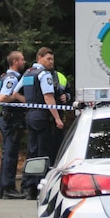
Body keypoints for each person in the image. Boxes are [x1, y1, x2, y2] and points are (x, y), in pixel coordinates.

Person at [19, 47, 65, 200]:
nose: (51, 62)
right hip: (43, 117)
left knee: (32, 152)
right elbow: (48, 98)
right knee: (44, 153)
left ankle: (29, 188)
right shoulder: (44, 75)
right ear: (40, 58)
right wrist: (57, 118)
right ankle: (42, 189)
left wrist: (30, 103)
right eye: (48, 59)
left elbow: (14, 93)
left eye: (52, 59)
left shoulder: (28, 73)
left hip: (30, 115)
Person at [0, 50, 27, 200]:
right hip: (11, 119)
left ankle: (4, 188)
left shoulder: (4, 76)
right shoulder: (12, 79)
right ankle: (8, 188)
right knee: (10, 154)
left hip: (6, 118)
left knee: (6, 153)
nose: (24, 62)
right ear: (15, 62)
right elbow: (1, 98)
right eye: (22, 60)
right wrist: (16, 96)